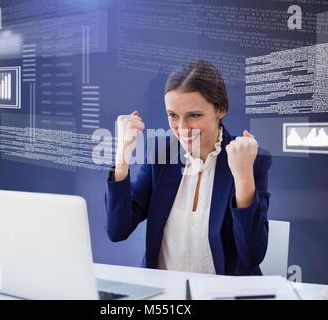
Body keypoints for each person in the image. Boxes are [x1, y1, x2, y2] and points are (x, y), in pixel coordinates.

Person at [105, 60, 272, 275]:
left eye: (194, 115)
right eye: (173, 115)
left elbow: (251, 255)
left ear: (221, 109)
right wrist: (122, 156)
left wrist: (243, 178)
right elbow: (117, 230)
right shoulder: (161, 155)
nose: (182, 128)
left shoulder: (251, 159)